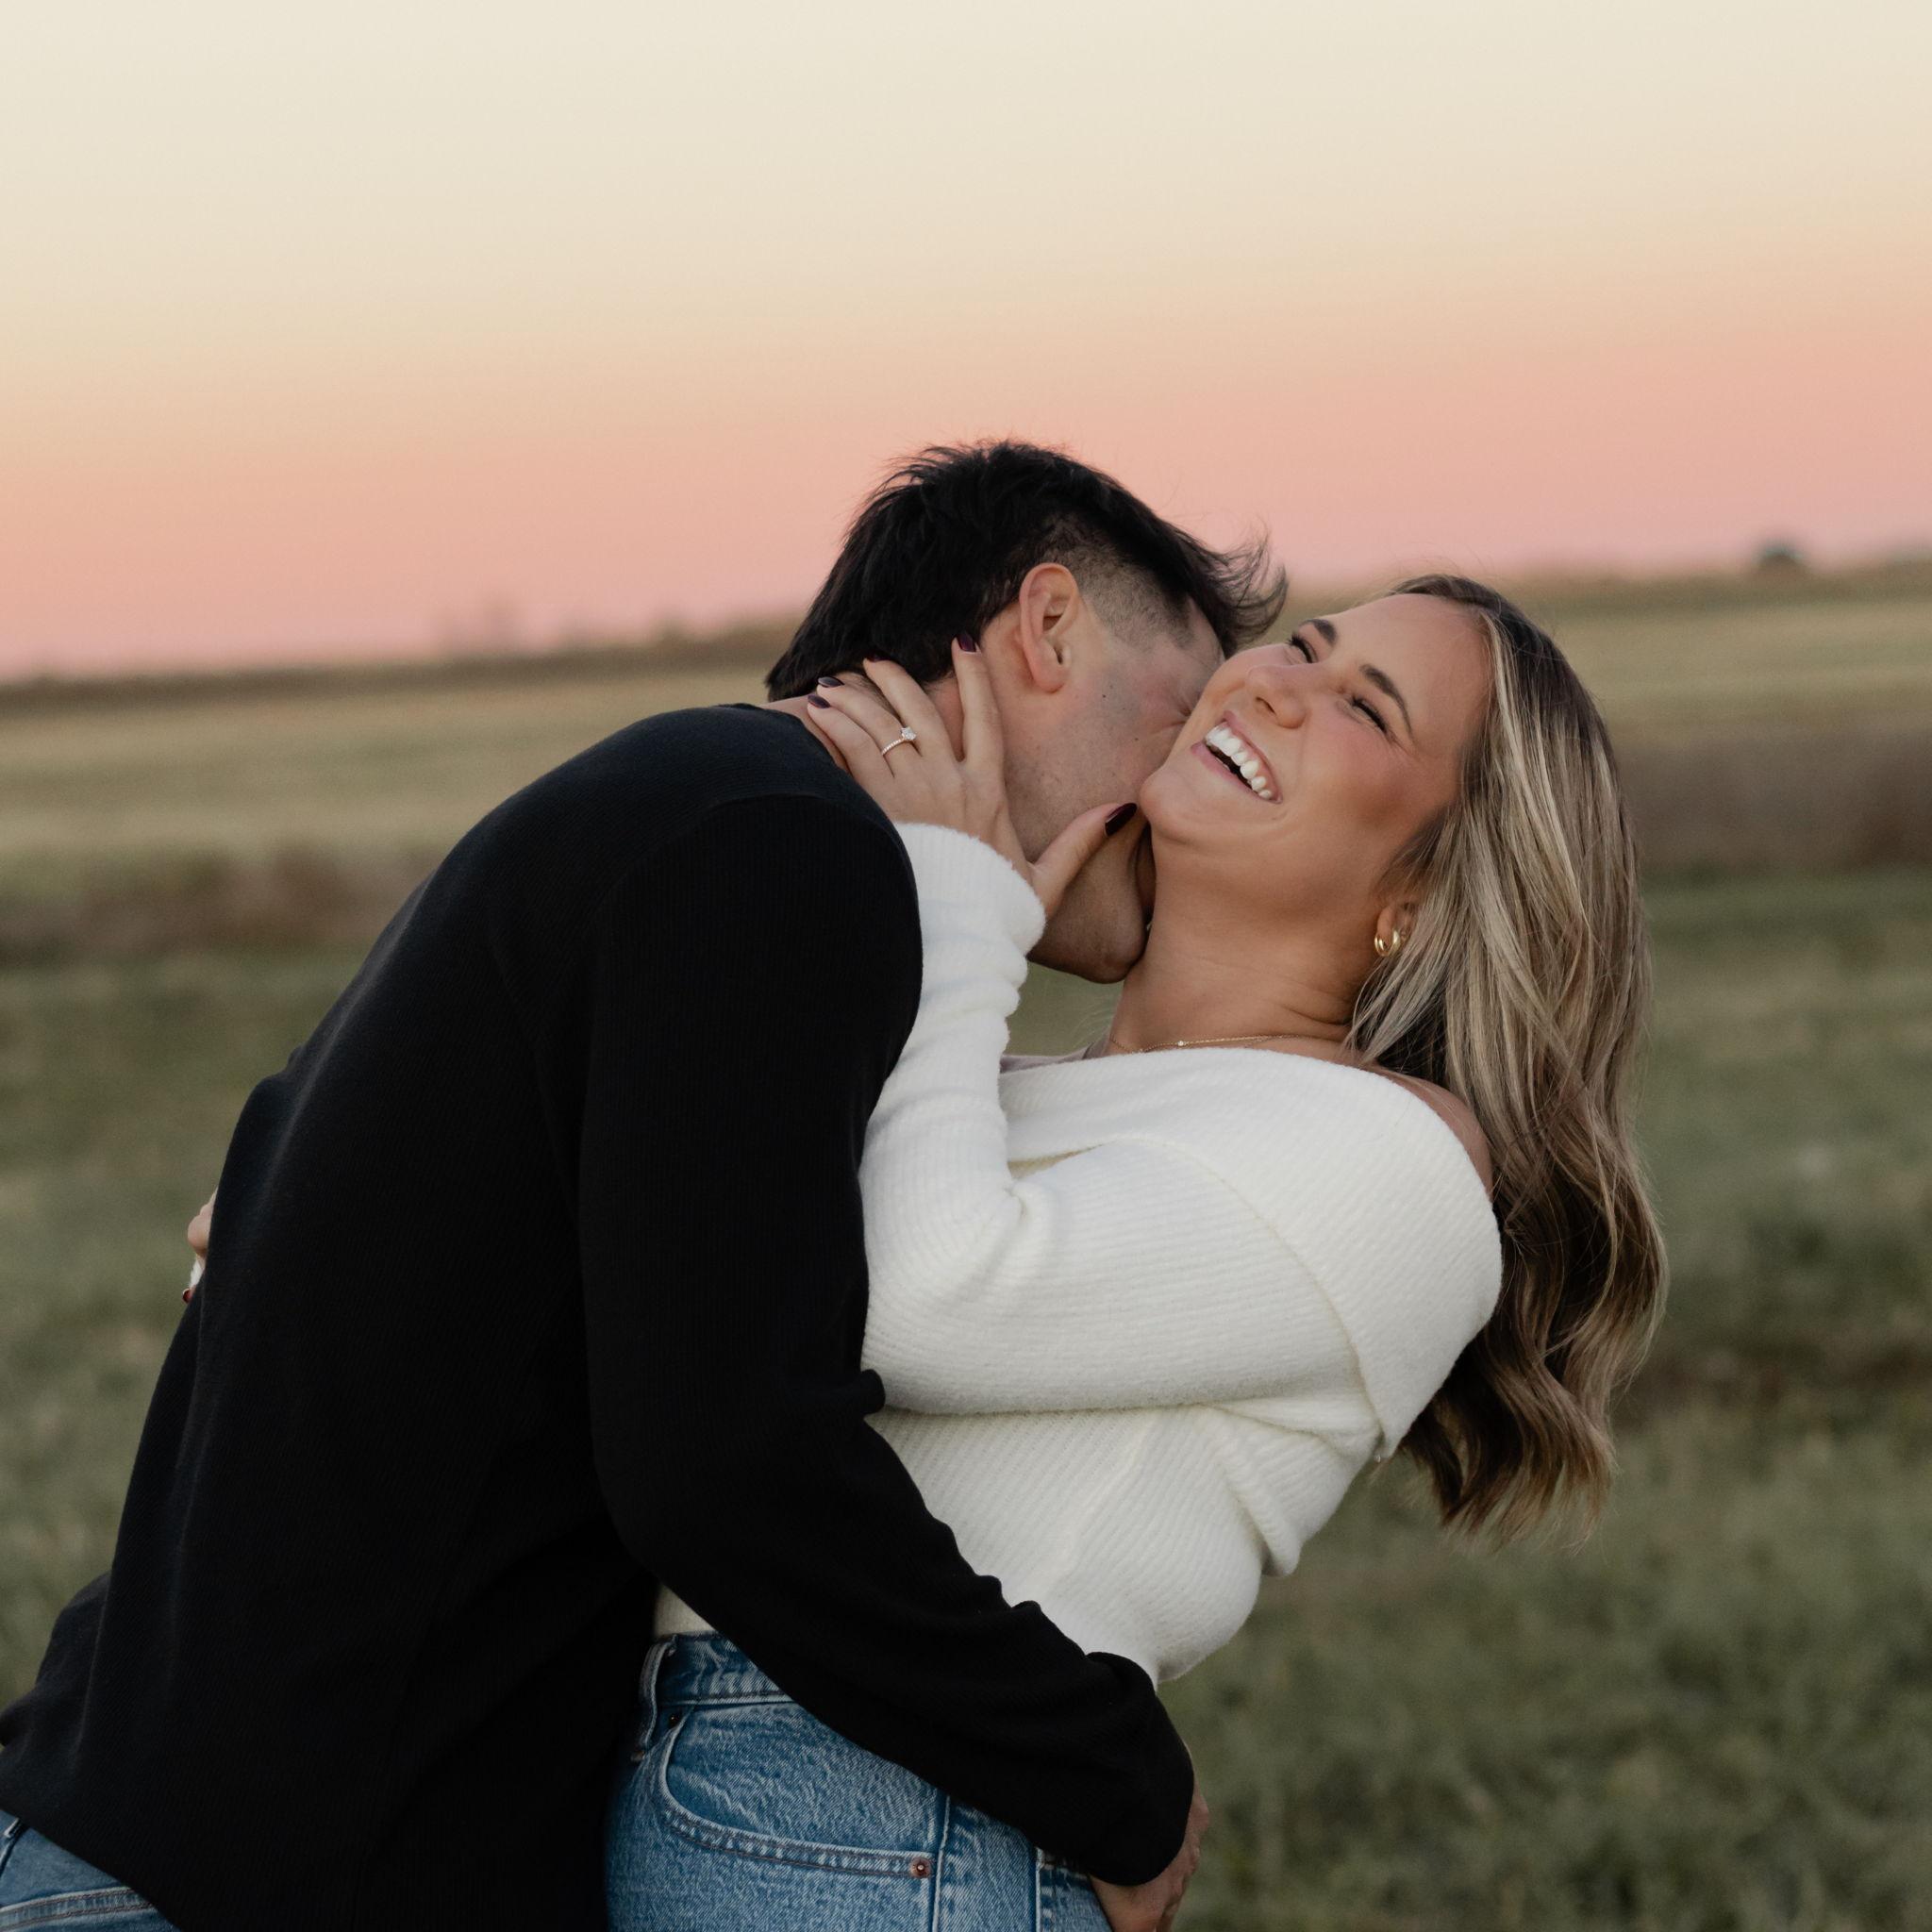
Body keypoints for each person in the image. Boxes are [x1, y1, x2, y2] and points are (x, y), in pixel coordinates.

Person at [0, 442, 1283, 1932]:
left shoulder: (680, 802)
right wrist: (1110, 1772)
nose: (1180, 795)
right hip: (243, 1884)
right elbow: (728, 1464)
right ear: (1047, 628)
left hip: (159, 1841)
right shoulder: (781, 852)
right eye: (1182, 717)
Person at [602, 580, 1669, 1927]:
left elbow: (918, 1297)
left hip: (880, 1808)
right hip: (721, 1770)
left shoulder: (1395, 1162)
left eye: (1365, 708)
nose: (1274, 681)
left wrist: (956, 894)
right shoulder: (1013, 1083)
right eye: (1303, 645)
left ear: (1421, 888)